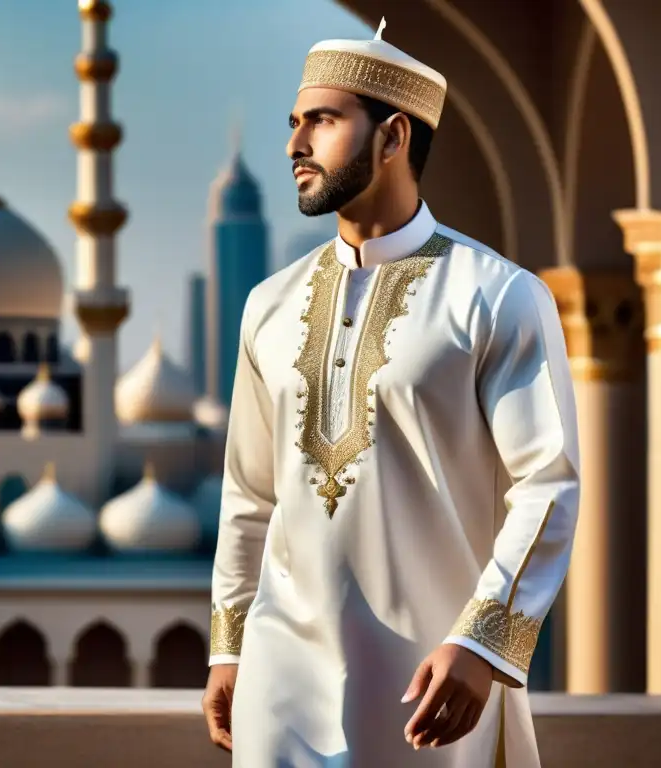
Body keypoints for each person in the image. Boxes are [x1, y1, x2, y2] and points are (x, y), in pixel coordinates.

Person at [202, 17, 579, 768]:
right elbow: (250, 495)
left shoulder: (497, 296)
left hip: (431, 683)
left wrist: (483, 641)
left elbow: (548, 482)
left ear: (393, 136)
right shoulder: (269, 306)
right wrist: (230, 646)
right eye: (293, 123)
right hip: (280, 685)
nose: (294, 145)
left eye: (323, 121)